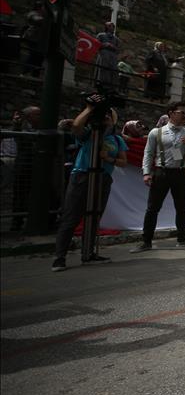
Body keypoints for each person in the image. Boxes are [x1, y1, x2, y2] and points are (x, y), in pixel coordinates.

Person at [51, 96, 128, 271]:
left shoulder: (117, 140)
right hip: (82, 176)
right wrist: (89, 108)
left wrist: (108, 158)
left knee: (94, 217)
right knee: (71, 217)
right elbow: (76, 127)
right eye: (103, 114)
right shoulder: (88, 133)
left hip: (103, 178)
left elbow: (123, 162)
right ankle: (59, 257)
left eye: (109, 115)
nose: (106, 117)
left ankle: (89, 253)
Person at [131, 101, 185, 252]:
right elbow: (148, 153)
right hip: (161, 172)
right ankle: (146, 241)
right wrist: (146, 173)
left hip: (180, 173)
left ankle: (182, 239)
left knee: (182, 208)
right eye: (182, 112)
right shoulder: (156, 132)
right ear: (171, 113)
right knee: (152, 208)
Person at [20, 1, 45, 76]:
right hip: (32, 38)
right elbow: (37, 19)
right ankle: (24, 72)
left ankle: (35, 74)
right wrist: (47, 18)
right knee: (33, 55)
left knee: (40, 56)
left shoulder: (41, 15)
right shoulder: (33, 13)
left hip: (38, 39)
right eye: (42, 7)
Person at [93, 21, 120, 91]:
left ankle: (112, 86)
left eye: (113, 26)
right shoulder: (101, 35)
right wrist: (105, 44)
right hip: (104, 54)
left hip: (113, 56)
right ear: (106, 27)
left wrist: (113, 47)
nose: (112, 27)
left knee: (113, 70)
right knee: (103, 68)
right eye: (110, 26)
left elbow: (118, 49)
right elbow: (96, 44)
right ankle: (100, 83)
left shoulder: (116, 39)